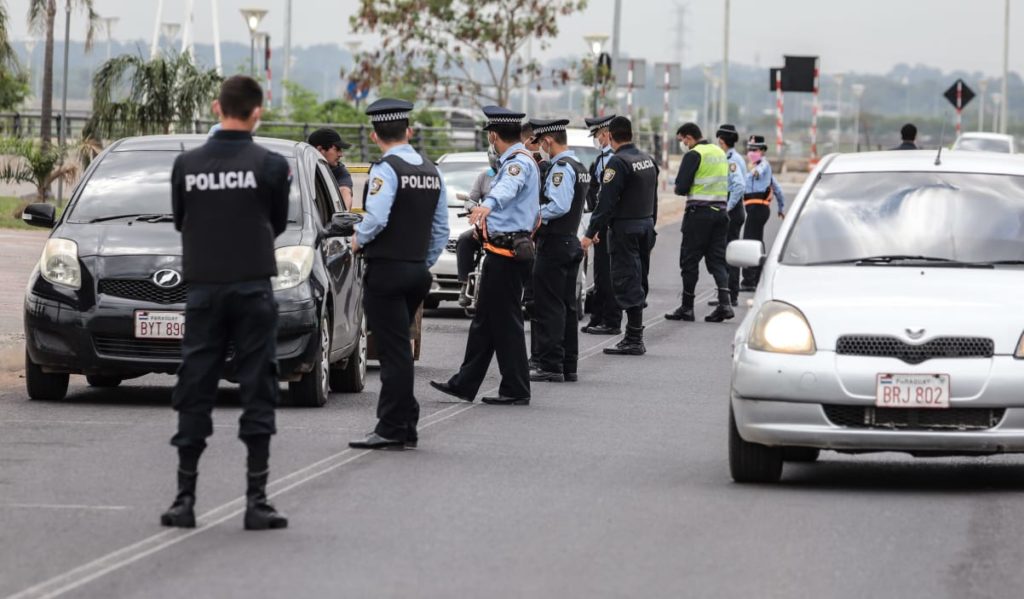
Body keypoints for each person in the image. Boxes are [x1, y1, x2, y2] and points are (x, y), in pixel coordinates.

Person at [163, 75, 290, 531]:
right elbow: (275, 222)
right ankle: (257, 501)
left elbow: (181, 220)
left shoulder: (187, 164)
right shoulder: (272, 164)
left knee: (194, 388)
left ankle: (184, 501)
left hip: (203, 289)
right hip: (253, 287)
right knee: (259, 386)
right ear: (257, 111)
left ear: (217, 107)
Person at [348, 99, 450, 451]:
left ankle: (391, 426)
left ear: (375, 135)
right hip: (416, 272)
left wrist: (356, 242)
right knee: (400, 350)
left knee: (392, 354)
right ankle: (406, 423)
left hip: (387, 273)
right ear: (408, 131)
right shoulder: (431, 170)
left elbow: (375, 218)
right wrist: (422, 261)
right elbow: (441, 227)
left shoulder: (386, 169)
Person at [431, 106, 539, 405]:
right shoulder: (516, 160)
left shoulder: (517, 163)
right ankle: (464, 383)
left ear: (493, 136)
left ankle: (516, 389)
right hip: (498, 252)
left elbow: (508, 187)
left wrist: (488, 203)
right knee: (486, 322)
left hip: (506, 255)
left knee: (506, 323)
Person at [581, 116, 657, 356]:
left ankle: (634, 338)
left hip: (625, 229)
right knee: (639, 278)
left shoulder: (618, 162)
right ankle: (633, 334)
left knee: (626, 280)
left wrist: (590, 232)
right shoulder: (646, 159)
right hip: (645, 225)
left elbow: (605, 203)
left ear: (610, 136)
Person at [527, 118, 589, 383]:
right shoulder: (579, 165)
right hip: (569, 241)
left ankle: (549, 364)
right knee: (567, 306)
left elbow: (559, 205)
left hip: (555, 243)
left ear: (548, 141)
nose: (539, 148)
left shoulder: (561, 167)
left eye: (539, 143)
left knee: (548, 305)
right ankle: (567, 364)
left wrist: (531, 215)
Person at [664, 122, 734, 323]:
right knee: (717, 260)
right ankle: (724, 304)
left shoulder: (694, 154)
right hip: (721, 213)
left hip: (699, 214)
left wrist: (681, 186)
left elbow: (681, 187)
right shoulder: (720, 152)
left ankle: (687, 307)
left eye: (682, 140)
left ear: (688, 137)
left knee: (689, 260)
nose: (683, 144)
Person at [580, 114, 621, 336]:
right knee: (600, 274)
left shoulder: (611, 160)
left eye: (596, 134)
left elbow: (606, 198)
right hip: (602, 224)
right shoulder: (600, 160)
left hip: (609, 224)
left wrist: (595, 228)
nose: (596, 139)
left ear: (605, 134)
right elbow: (593, 195)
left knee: (608, 274)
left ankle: (611, 319)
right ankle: (598, 316)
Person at [708, 124, 748, 308]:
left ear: (722, 142)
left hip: (733, 210)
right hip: (734, 208)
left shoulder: (731, 160)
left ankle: (730, 295)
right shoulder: (733, 157)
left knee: (728, 254)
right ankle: (729, 295)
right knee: (727, 253)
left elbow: (739, 186)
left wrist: (727, 208)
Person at [739, 135, 785, 291]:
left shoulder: (762, 166)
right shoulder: (764, 170)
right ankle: (758, 277)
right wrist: (781, 207)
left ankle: (749, 280)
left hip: (758, 209)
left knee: (749, 242)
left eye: (755, 149)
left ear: (763, 151)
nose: (752, 152)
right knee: (756, 242)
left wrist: (745, 176)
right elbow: (778, 189)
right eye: (750, 149)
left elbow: (757, 172)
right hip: (757, 209)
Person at [455, 148, 500, 307]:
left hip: (505, 229)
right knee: (464, 240)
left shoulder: (513, 175)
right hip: (483, 228)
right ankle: (466, 283)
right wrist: (473, 208)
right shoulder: (484, 177)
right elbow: (470, 199)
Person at [308, 127, 355, 209]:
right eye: (337, 149)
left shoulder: (339, 171)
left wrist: (343, 216)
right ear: (319, 150)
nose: (341, 154)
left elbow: (344, 191)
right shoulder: (299, 168)